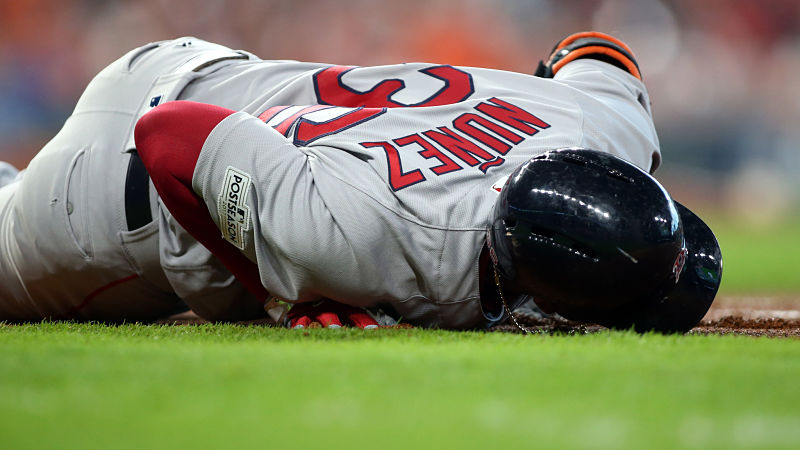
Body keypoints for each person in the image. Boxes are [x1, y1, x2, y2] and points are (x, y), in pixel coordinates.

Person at [0, 33, 721, 331]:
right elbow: (171, 139)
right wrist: (285, 295)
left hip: (217, 72)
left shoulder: (603, 129)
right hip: (116, 189)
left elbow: (594, 52)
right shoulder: (364, 236)